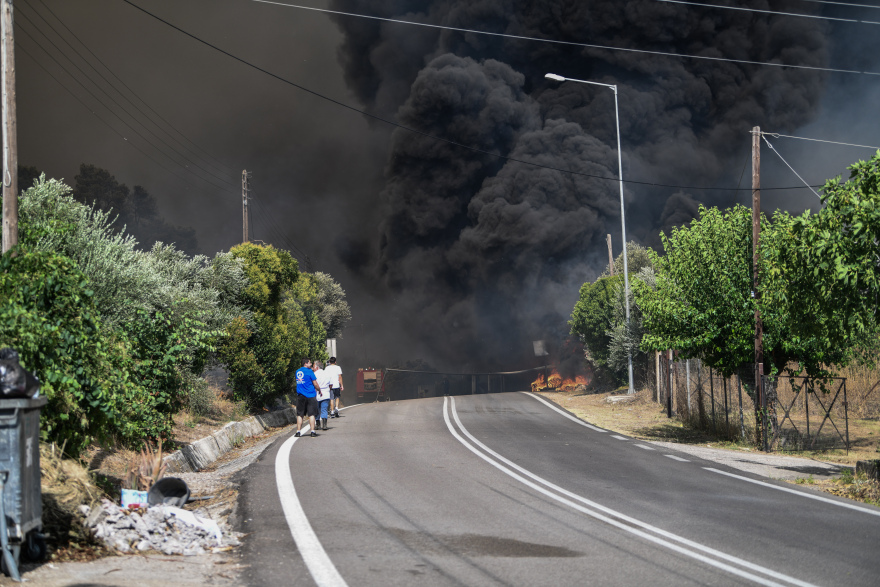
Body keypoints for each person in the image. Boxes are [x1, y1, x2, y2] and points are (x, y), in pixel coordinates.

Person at [294, 358, 319, 437]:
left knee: (300, 414)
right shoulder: (309, 371)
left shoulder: (297, 372)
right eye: (309, 363)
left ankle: (298, 431)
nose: (311, 364)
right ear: (305, 363)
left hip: (301, 396)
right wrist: (319, 389)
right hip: (310, 395)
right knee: (311, 414)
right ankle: (312, 431)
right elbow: (315, 383)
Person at [313, 360, 332, 431]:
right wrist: (327, 390)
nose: (313, 368)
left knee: (317, 410)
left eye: (314, 366)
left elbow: (313, 384)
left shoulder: (314, 374)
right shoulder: (327, 374)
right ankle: (324, 425)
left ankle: (317, 424)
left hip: (317, 394)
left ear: (317, 367)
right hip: (326, 394)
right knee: (324, 409)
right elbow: (331, 384)